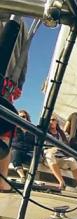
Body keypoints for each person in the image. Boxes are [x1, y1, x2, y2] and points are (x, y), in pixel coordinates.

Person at [0, 15, 28, 192]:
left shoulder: (19, 20)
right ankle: (2, 180)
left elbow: (23, 54)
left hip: (6, 84)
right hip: (7, 84)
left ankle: (2, 180)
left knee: (5, 133)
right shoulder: (19, 20)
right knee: (5, 133)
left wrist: (19, 83)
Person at [44, 116, 77, 194]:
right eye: (49, 120)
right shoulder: (45, 132)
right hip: (49, 157)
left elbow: (66, 145)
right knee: (49, 155)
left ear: (56, 122)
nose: (51, 122)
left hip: (60, 157)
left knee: (72, 160)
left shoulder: (61, 133)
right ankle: (62, 182)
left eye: (53, 120)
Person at [11, 110, 35, 183]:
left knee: (35, 158)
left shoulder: (32, 130)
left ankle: (30, 178)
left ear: (27, 118)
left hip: (28, 152)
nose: (21, 118)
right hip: (17, 151)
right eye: (19, 116)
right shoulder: (13, 128)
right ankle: (22, 177)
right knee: (15, 153)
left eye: (23, 116)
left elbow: (35, 143)